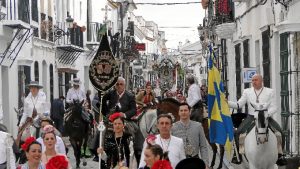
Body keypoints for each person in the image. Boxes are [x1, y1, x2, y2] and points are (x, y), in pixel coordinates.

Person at [228, 74, 287, 165]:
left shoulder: (270, 91)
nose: (253, 82)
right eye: (252, 80)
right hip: (251, 117)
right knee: (238, 132)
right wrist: (226, 102)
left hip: (266, 117)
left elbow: (274, 107)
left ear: (261, 81)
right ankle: (237, 156)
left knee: (280, 132)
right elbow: (238, 105)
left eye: (256, 80)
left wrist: (266, 114)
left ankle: (280, 156)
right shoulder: (247, 91)